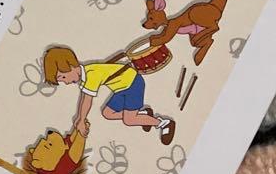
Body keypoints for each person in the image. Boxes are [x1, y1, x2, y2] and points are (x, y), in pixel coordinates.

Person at [42, 45, 176, 145]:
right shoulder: (86, 74)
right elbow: (84, 97)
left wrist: (82, 119)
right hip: (121, 88)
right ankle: (143, 115)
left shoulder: (91, 74)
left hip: (132, 85)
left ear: (70, 66)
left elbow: (87, 100)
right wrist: (79, 118)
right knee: (108, 113)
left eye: (63, 77)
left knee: (129, 120)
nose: (65, 82)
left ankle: (163, 123)